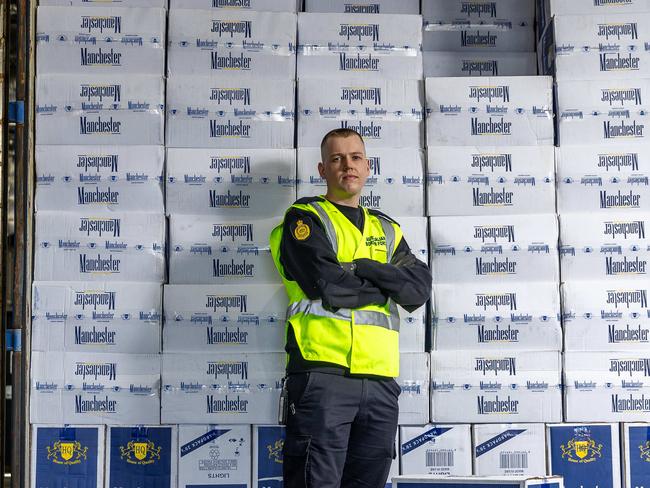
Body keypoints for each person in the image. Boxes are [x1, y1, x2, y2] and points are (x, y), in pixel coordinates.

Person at [269, 128, 432, 488]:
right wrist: (387, 283)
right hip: (322, 377)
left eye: (355, 157)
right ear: (322, 169)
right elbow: (328, 287)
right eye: (337, 159)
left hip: (380, 383)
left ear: (368, 166)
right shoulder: (305, 219)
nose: (348, 165)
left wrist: (361, 267)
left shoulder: (387, 229)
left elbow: (418, 290)